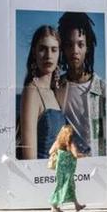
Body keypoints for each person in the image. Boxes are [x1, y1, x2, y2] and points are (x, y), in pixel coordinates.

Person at [56, 12, 106, 156]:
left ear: (87, 47)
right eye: (69, 45)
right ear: (63, 49)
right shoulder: (58, 87)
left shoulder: (102, 89)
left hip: (97, 165)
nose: (75, 51)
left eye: (80, 44)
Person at [18, 25, 66, 160]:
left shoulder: (54, 92)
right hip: (41, 177)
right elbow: (29, 159)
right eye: (43, 49)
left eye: (54, 50)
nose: (48, 55)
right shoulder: (32, 91)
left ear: (59, 54)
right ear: (34, 52)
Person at [48, 124, 86, 212]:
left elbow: (50, 151)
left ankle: (77, 205)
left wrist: (59, 153)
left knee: (67, 186)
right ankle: (54, 205)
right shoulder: (70, 142)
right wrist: (84, 155)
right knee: (65, 186)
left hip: (60, 169)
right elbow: (76, 155)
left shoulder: (57, 142)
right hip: (68, 170)